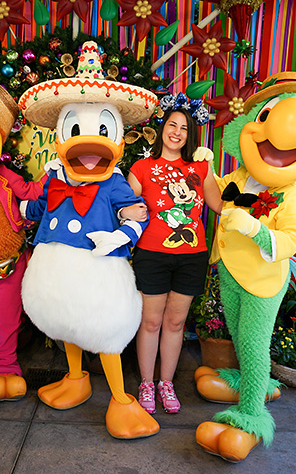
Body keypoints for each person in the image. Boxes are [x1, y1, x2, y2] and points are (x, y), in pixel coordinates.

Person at [127, 105, 223, 414]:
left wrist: (256, 186)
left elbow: (220, 204)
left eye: (184, 128)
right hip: (151, 255)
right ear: (163, 128)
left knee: (176, 321)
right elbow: (126, 209)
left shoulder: (201, 169)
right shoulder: (142, 168)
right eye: (172, 124)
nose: (177, 132)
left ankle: (166, 383)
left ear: (190, 135)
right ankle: (146, 382)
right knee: (151, 321)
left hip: (191, 257)